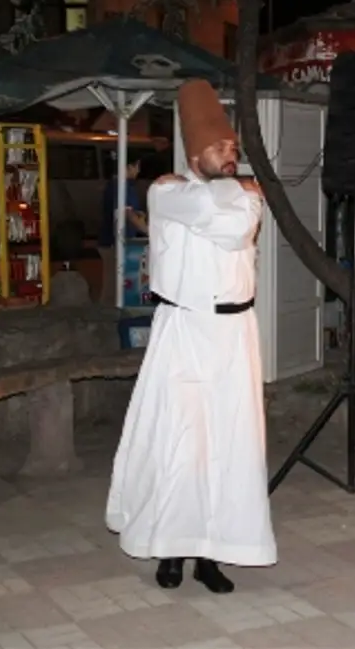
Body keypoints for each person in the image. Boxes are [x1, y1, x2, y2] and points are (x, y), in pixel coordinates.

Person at [105, 79, 276, 594]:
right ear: (194, 153)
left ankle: (211, 554)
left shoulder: (239, 197)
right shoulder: (166, 192)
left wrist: (237, 192)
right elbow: (215, 218)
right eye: (219, 148)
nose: (230, 155)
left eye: (233, 147)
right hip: (185, 329)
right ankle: (171, 549)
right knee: (180, 439)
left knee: (231, 442)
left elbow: (236, 228)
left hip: (235, 333)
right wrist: (239, 191)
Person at [97, 157, 147, 305]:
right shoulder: (121, 187)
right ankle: (105, 316)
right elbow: (128, 214)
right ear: (129, 166)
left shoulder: (117, 185)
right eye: (137, 166)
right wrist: (147, 230)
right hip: (114, 242)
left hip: (115, 241)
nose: (138, 171)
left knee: (115, 286)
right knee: (113, 288)